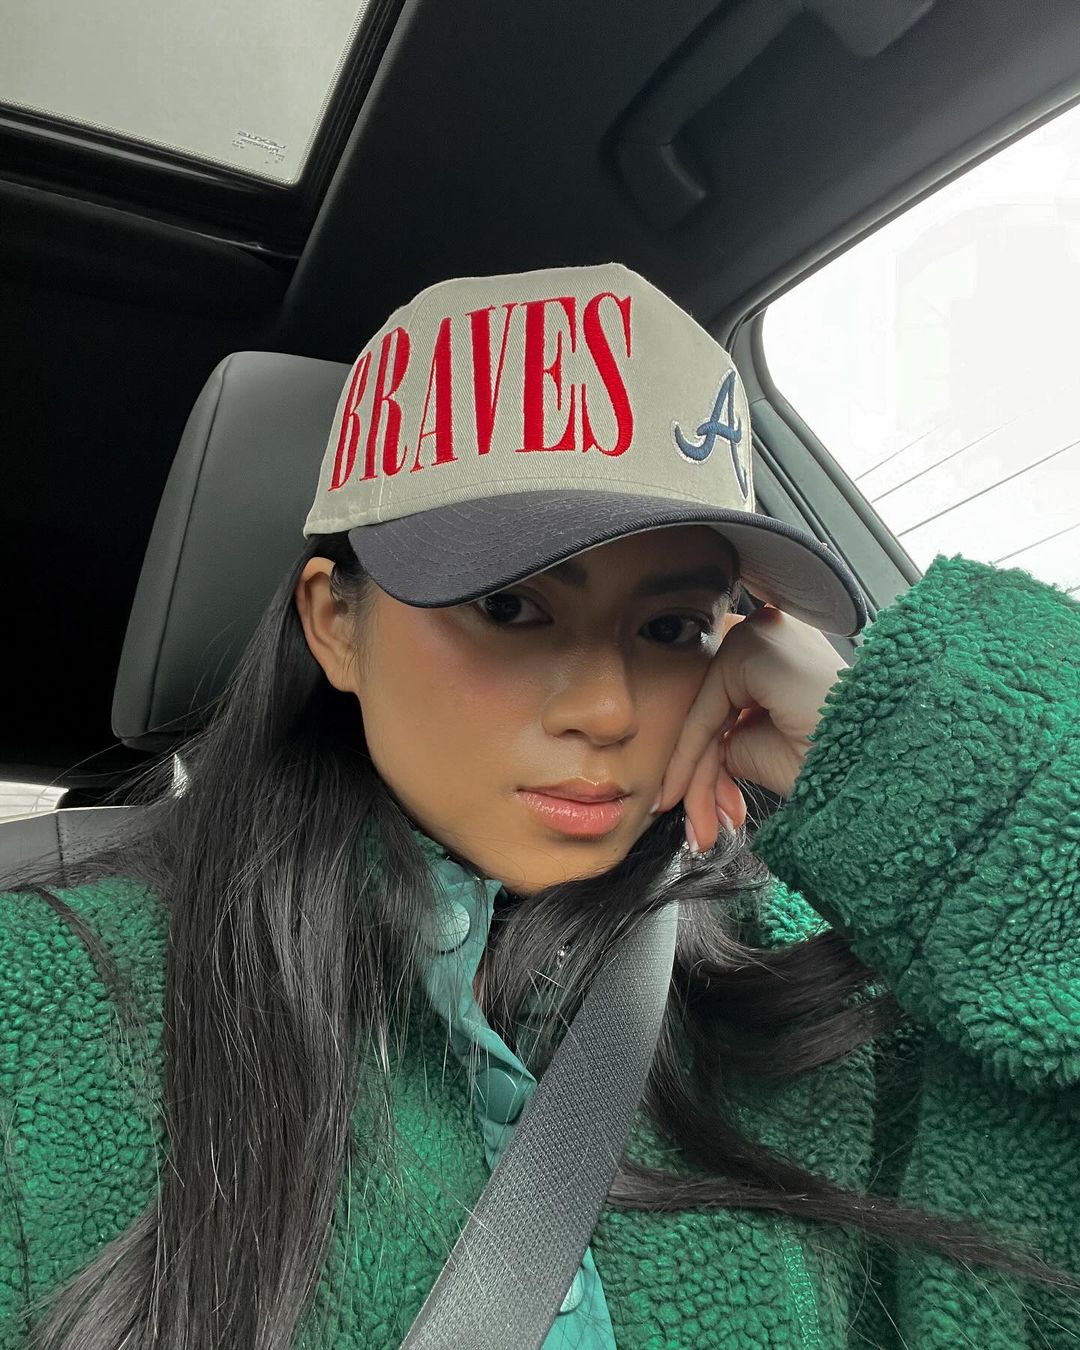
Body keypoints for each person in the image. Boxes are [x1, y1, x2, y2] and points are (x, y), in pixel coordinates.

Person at [1, 262, 1078, 1350]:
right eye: (510, 608)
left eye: (671, 628)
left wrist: (916, 747)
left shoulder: (825, 983)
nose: (609, 710)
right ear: (335, 625)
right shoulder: (44, 997)